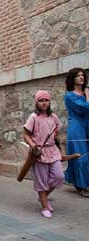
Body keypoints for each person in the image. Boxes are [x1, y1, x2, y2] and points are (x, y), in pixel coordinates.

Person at [23, 90, 64, 218]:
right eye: (41, 100)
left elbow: (56, 132)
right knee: (41, 181)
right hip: (39, 152)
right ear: (37, 103)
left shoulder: (54, 117)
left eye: (46, 100)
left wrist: (58, 144)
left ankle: (43, 197)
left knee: (59, 176)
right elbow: (25, 135)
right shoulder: (33, 117)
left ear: (49, 102)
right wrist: (33, 145)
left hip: (53, 150)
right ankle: (45, 207)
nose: (44, 103)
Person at [64, 68, 89, 197]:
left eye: (82, 75)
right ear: (72, 79)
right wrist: (88, 96)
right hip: (76, 127)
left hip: (87, 125)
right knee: (81, 155)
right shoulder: (69, 96)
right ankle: (83, 186)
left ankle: (81, 182)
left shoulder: (85, 94)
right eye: (78, 76)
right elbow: (84, 108)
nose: (81, 77)